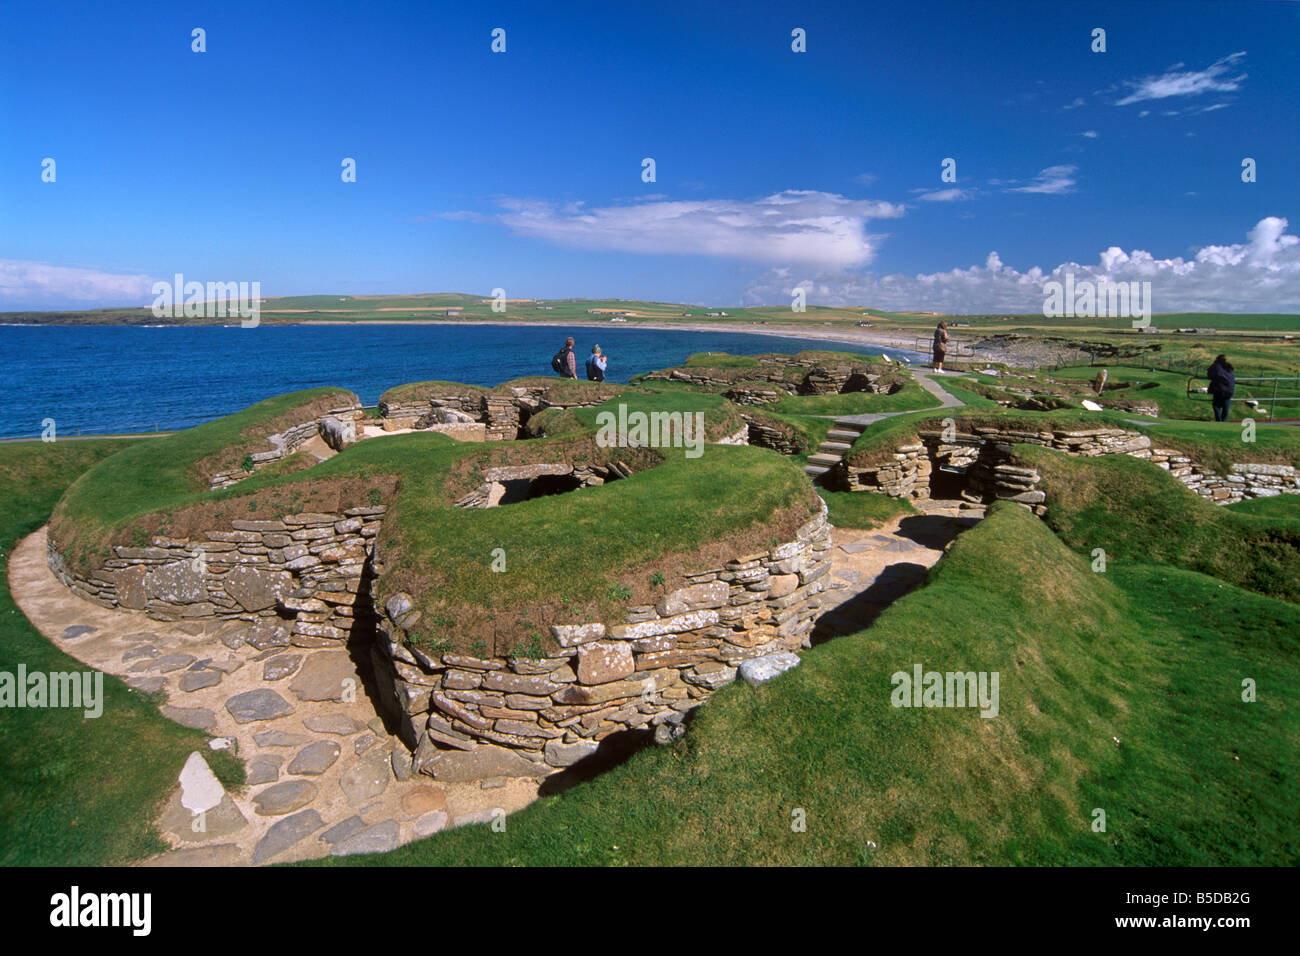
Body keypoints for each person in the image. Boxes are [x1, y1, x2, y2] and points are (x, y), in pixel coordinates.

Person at [1207, 354, 1235, 422]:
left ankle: (1219, 420)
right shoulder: (1229, 367)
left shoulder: (1216, 366)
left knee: (1216, 405)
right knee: (1226, 406)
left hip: (1219, 389)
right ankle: (1224, 420)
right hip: (1229, 389)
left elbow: (1210, 375)